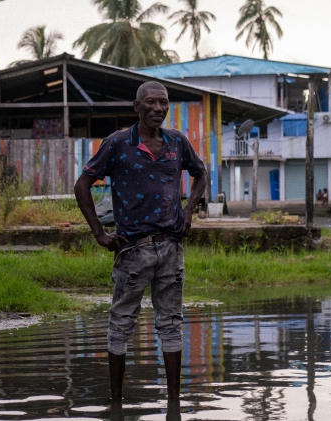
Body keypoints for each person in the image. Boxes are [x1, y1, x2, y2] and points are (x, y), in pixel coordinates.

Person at [74, 81, 209, 403]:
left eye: (163, 103)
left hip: (171, 247)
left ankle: (174, 403)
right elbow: (82, 185)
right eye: (150, 102)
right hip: (133, 249)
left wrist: (189, 210)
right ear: (137, 106)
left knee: (171, 324)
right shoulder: (118, 143)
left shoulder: (177, 142)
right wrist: (99, 233)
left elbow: (201, 173)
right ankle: (116, 402)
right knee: (121, 323)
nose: (158, 108)